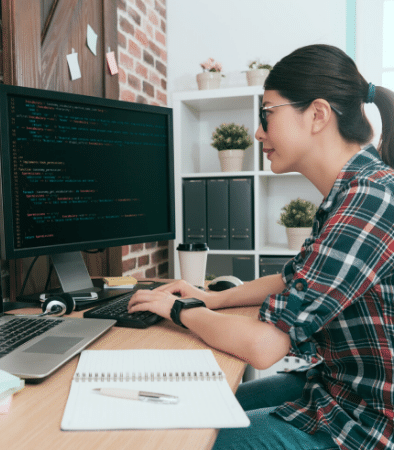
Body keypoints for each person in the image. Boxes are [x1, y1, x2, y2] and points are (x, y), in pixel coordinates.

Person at [128, 44, 394, 450]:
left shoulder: (370, 200)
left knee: (191, 437)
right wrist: (209, 299)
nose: (257, 131)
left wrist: (182, 311)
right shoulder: (351, 193)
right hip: (336, 390)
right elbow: (289, 280)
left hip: (366, 424)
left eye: (267, 113)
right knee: (199, 407)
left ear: (318, 115)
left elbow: (263, 347)